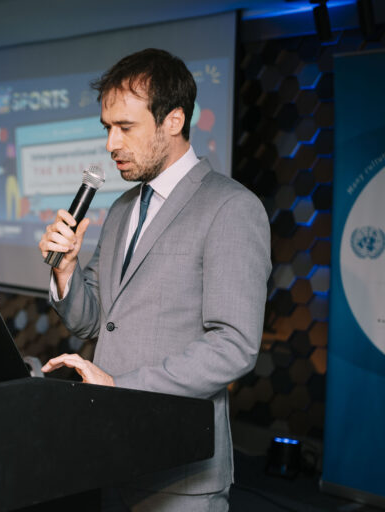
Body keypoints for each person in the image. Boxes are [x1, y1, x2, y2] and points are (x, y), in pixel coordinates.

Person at [38, 48, 271, 511]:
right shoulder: (121, 208)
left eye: (126, 127)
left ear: (174, 120)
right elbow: (94, 321)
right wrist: (65, 271)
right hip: (112, 452)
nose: (111, 144)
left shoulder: (231, 207)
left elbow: (234, 345)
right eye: (107, 128)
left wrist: (120, 388)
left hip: (180, 466)